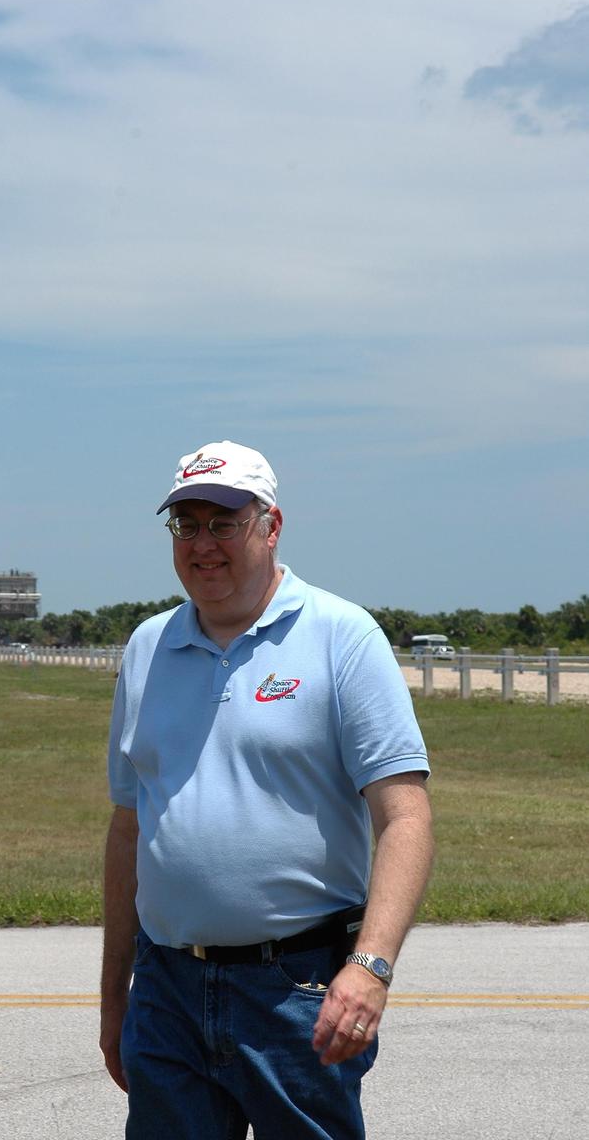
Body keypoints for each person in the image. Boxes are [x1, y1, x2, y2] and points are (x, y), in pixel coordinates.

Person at [100, 441, 433, 1139]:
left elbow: (404, 818)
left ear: (269, 526)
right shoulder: (146, 648)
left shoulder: (341, 636)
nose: (202, 544)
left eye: (222, 523)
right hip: (167, 990)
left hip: (298, 989)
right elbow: (128, 826)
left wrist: (369, 968)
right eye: (186, 526)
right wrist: (115, 999)